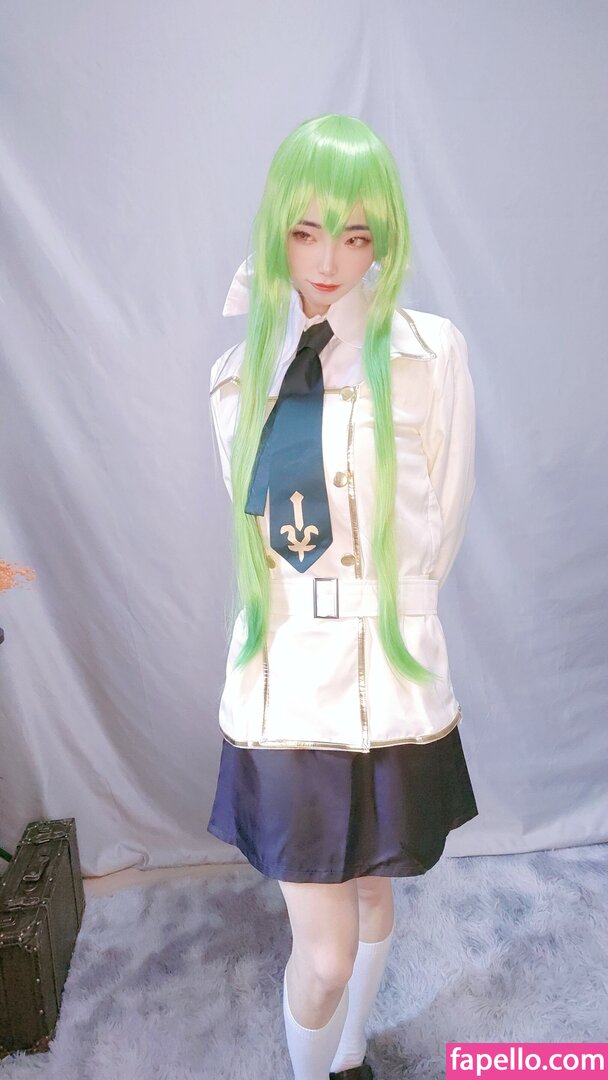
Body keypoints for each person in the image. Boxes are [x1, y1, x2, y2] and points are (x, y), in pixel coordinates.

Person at [207, 114, 479, 1080]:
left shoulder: (428, 356)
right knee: (320, 953)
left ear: (383, 242)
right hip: (286, 692)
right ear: (276, 231)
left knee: (371, 895)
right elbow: (262, 549)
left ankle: (352, 1052)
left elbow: (442, 519)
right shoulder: (237, 380)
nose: (329, 261)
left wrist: (383, 623)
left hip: (389, 677)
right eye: (306, 231)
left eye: (357, 236)